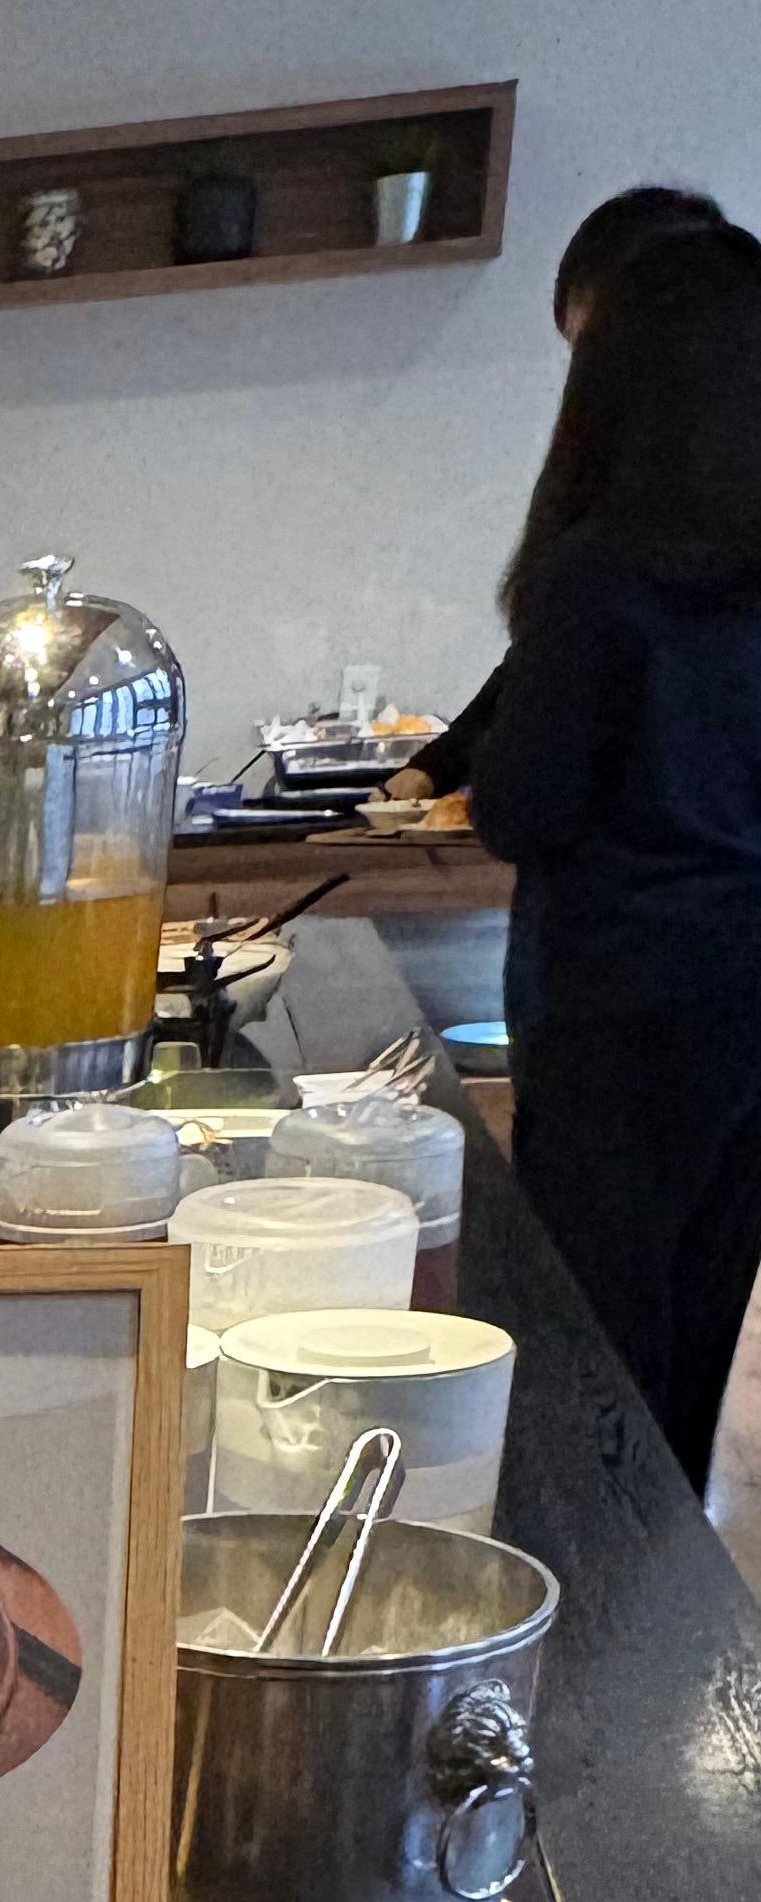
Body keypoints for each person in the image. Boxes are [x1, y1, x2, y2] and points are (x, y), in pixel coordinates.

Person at [472, 224, 761, 1487]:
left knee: (590, 1340)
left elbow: (522, 807)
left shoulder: (598, 576)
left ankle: (589, 1580)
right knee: (696, 1321)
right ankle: (667, 1575)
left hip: (616, 999)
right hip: (746, 990)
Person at [389, 184, 727, 799]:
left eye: (591, 350)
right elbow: (540, 663)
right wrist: (435, 765)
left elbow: (530, 793)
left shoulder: (628, 546)